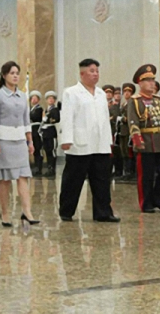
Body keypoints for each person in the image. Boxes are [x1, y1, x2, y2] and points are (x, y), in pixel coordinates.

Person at [58, 58, 120, 223]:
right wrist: (66, 139)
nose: (95, 74)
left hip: (100, 144)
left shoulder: (100, 93)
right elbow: (67, 117)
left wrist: (108, 141)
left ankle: (103, 212)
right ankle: (66, 211)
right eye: (92, 71)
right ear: (82, 73)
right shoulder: (71, 92)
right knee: (73, 179)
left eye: (97, 71)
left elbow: (105, 119)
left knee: (102, 180)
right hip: (79, 143)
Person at [0, 61, 38, 226]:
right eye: (12, 73)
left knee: (23, 176)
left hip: (20, 141)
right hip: (3, 141)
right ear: (4, 76)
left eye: (17, 73)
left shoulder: (23, 96)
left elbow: (26, 121)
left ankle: (27, 212)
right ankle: (4, 213)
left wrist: (30, 141)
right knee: (5, 179)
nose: (16, 76)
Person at [128, 64, 160, 213]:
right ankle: (146, 203)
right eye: (148, 80)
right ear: (140, 83)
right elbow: (133, 122)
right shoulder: (135, 101)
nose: (152, 83)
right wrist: (137, 140)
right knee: (145, 176)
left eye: (153, 80)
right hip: (145, 142)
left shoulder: (158, 100)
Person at [41, 91, 60, 177]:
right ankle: (49, 167)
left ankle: (52, 168)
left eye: (52, 99)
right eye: (49, 98)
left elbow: (56, 119)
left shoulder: (55, 109)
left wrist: (48, 119)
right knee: (47, 150)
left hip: (51, 131)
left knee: (52, 150)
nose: (50, 100)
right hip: (45, 132)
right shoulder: (46, 110)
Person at [119, 83, 135, 180]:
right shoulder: (124, 104)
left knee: (129, 152)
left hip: (129, 130)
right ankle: (126, 171)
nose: (126, 93)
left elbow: (131, 117)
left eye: (129, 91)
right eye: (125, 91)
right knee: (123, 151)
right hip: (123, 131)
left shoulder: (132, 103)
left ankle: (130, 172)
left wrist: (122, 119)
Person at [29, 91, 44, 177]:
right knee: (34, 149)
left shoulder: (39, 109)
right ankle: (35, 166)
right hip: (32, 131)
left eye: (35, 98)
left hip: (37, 131)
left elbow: (35, 117)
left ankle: (39, 167)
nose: (33, 100)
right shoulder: (32, 109)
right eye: (32, 98)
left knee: (38, 149)